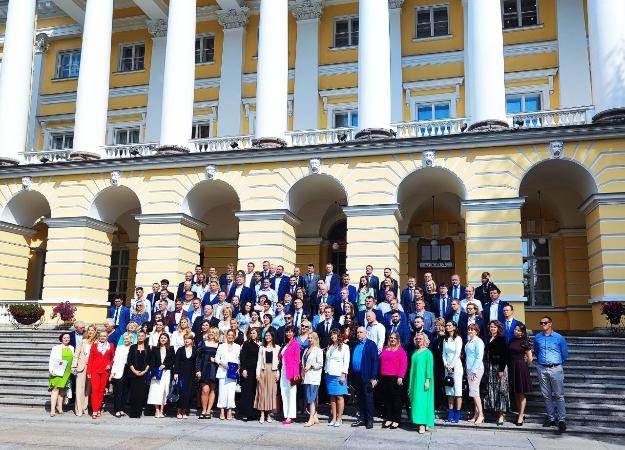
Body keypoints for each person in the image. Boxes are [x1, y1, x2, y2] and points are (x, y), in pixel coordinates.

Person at [533, 315, 568, 432]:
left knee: (559, 395)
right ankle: (551, 418)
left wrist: (556, 363)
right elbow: (536, 351)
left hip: (556, 368)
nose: (543, 325)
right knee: (546, 395)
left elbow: (564, 354)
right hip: (542, 368)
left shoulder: (559, 338)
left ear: (550, 324)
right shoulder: (537, 337)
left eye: (545, 323)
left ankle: (562, 419)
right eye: (541, 323)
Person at [350, 326, 379, 429]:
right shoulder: (355, 344)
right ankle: (362, 418)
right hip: (357, 376)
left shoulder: (371, 344)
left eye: (361, 332)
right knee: (360, 398)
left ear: (366, 333)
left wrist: (374, 377)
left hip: (367, 376)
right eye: (357, 332)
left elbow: (375, 361)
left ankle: (369, 419)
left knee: (368, 398)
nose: (359, 334)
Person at [379, 332, 408, 429]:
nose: (392, 339)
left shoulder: (400, 351)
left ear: (398, 340)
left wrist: (400, 376)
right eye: (391, 338)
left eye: (394, 338)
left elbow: (404, 365)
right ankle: (389, 418)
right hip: (384, 377)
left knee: (396, 400)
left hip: (395, 378)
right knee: (387, 399)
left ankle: (396, 420)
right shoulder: (384, 349)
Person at [484, 320, 510, 426]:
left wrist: (501, 370)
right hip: (490, 367)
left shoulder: (501, 339)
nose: (492, 328)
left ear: (498, 328)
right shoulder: (489, 338)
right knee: (493, 390)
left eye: (494, 327)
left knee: (501, 390)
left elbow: (504, 355)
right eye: (491, 327)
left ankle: (501, 415)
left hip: (500, 367)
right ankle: (496, 411)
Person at [408, 332, 435, 434]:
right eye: (417, 338)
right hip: (414, 380)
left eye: (420, 338)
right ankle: (419, 421)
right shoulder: (415, 351)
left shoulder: (428, 353)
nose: (419, 340)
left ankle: (422, 424)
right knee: (416, 401)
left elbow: (429, 368)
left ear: (425, 340)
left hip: (423, 381)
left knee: (422, 402)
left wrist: (427, 380)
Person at [87, 331, 115, 419]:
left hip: (105, 371)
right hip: (94, 370)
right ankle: (95, 410)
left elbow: (114, 357)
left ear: (107, 337)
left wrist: (110, 365)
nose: (102, 337)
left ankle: (98, 408)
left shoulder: (111, 345)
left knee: (101, 390)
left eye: (104, 336)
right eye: (101, 336)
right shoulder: (94, 346)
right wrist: (89, 372)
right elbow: (90, 359)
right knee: (95, 390)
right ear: (99, 337)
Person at [325, 328, 350, 427]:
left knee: (339, 396)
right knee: (332, 397)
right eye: (331, 335)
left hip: (339, 375)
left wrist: (343, 374)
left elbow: (346, 361)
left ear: (339, 335)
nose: (333, 336)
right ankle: (334, 418)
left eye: (334, 334)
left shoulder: (345, 347)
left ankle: (339, 418)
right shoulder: (330, 347)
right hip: (329, 374)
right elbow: (328, 361)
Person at [509, 322, 533, 426]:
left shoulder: (525, 342)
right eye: (515, 329)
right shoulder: (512, 340)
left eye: (518, 330)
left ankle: (521, 415)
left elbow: (530, 358)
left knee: (521, 392)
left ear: (523, 332)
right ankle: (519, 411)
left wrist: (524, 366)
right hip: (512, 366)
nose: (516, 331)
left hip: (521, 367)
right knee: (515, 392)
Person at [71, 323, 97, 417]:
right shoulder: (82, 341)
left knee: (88, 390)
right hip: (81, 367)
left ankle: (84, 407)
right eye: (89, 330)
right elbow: (76, 354)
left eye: (92, 330)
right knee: (79, 388)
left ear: (95, 332)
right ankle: (79, 410)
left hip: (92, 368)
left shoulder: (97, 342)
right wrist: (73, 366)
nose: (90, 332)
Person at [255, 328, 280, 423]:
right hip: (263, 370)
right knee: (262, 393)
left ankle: (269, 414)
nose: (267, 337)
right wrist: (257, 373)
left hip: (272, 371)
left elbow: (278, 363)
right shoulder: (262, 347)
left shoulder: (277, 347)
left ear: (273, 337)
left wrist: (278, 373)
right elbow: (259, 361)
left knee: (270, 393)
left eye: (269, 336)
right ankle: (262, 414)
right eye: (266, 336)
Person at [147, 332, 175, 418]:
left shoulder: (171, 349)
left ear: (167, 340)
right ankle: (157, 410)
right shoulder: (155, 349)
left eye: (165, 338)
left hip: (166, 372)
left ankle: (162, 410)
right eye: (161, 338)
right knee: (156, 391)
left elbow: (173, 360)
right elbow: (152, 362)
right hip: (157, 372)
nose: (163, 339)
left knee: (164, 391)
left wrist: (165, 365)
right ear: (159, 339)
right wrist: (154, 373)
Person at [216, 329, 241, 420]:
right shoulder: (221, 346)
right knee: (222, 392)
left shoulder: (238, 346)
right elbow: (216, 358)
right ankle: (222, 411)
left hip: (232, 373)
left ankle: (229, 411)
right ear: (226, 336)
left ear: (234, 336)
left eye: (232, 335)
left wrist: (238, 367)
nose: (230, 336)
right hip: (222, 371)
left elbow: (238, 359)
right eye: (228, 335)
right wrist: (223, 364)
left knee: (231, 393)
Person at [195, 325, 219, 419]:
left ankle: (209, 410)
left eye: (213, 332)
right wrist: (198, 370)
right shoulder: (203, 343)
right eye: (210, 332)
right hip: (204, 368)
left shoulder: (219, 344)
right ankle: (204, 410)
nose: (211, 334)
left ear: (216, 334)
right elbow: (198, 358)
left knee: (212, 389)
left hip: (214, 369)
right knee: (205, 390)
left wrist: (216, 359)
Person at [48, 332, 74, 417]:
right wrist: (51, 370)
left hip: (67, 372)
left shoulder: (71, 348)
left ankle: (60, 407)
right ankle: (52, 409)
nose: (66, 339)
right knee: (55, 389)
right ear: (61, 339)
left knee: (62, 390)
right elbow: (51, 359)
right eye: (64, 338)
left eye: (68, 338)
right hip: (58, 370)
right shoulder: (56, 348)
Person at [279, 325, 301, 425]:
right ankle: (286, 414)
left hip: (291, 372)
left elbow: (297, 360)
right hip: (283, 371)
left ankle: (290, 416)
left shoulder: (296, 344)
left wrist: (296, 373)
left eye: (290, 332)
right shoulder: (285, 344)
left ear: (294, 333)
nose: (288, 333)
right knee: (284, 393)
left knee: (291, 394)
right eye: (287, 331)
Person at [442, 320, 463, 423]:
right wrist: (446, 364)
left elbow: (457, 353)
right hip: (447, 367)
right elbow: (444, 353)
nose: (447, 327)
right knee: (449, 390)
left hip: (456, 366)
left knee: (457, 390)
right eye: (446, 325)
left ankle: (457, 413)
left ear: (454, 327)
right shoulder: (445, 339)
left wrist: (452, 365)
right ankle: (450, 412)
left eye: (449, 325)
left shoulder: (458, 339)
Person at [127, 330, 151, 418]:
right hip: (133, 373)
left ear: (145, 337)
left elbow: (150, 361)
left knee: (141, 394)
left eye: (142, 336)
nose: (140, 337)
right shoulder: (133, 347)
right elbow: (129, 361)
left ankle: (138, 412)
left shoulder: (148, 348)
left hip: (144, 374)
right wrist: (135, 371)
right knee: (133, 393)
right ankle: (133, 413)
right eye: (139, 336)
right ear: (137, 337)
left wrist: (145, 371)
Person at [464, 323, 485, 424]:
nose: (470, 331)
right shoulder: (469, 342)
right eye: (469, 329)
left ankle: (481, 414)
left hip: (476, 369)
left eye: (472, 330)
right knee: (473, 392)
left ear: (476, 331)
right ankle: (476, 414)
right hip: (469, 369)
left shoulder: (478, 342)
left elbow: (479, 357)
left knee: (474, 392)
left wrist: (473, 370)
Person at [302, 332, 323, 427]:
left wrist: (311, 366)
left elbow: (320, 364)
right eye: (309, 338)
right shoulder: (306, 349)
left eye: (311, 338)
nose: (310, 339)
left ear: (315, 339)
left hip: (314, 377)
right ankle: (315, 416)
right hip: (306, 377)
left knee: (311, 398)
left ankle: (311, 419)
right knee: (311, 397)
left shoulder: (318, 350)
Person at [173, 333, 197, 419]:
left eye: (188, 339)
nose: (186, 340)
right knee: (182, 392)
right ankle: (179, 410)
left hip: (191, 374)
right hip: (181, 374)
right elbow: (176, 362)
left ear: (192, 340)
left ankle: (185, 411)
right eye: (185, 339)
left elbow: (196, 362)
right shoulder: (180, 350)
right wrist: (175, 373)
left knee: (189, 393)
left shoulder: (195, 350)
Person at [239, 327, 261, 421]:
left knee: (255, 392)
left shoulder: (260, 344)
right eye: (251, 333)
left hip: (257, 371)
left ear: (258, 334)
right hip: (248, 370)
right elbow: (243, 357)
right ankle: (246, 413)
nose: (252, 334)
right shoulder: (246, 343)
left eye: (254, 333)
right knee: (246, 392)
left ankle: (255, 413)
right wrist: (243, 369)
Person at [110, 332, 132, 417]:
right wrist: (113, 372)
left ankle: (122, 409)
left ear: (131, 340)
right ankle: (117, 410)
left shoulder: (133, 347)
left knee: (125, 392)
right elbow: (116, 360)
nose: (126, 340)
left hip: (129, 370)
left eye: (127, 339)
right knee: (118, 391)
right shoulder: (119, 348)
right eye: (124, 339)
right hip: (119, 370)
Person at [429, 318, 447, 410]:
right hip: (434, 362)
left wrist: (442, 336)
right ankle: (436, 402)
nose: (437, 327)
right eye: (436, 325)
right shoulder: (432, 336)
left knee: (443, 383)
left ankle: (443, 403)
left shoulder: (445, 336)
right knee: (436, 383)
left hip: (443, 363)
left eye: (439, 325)